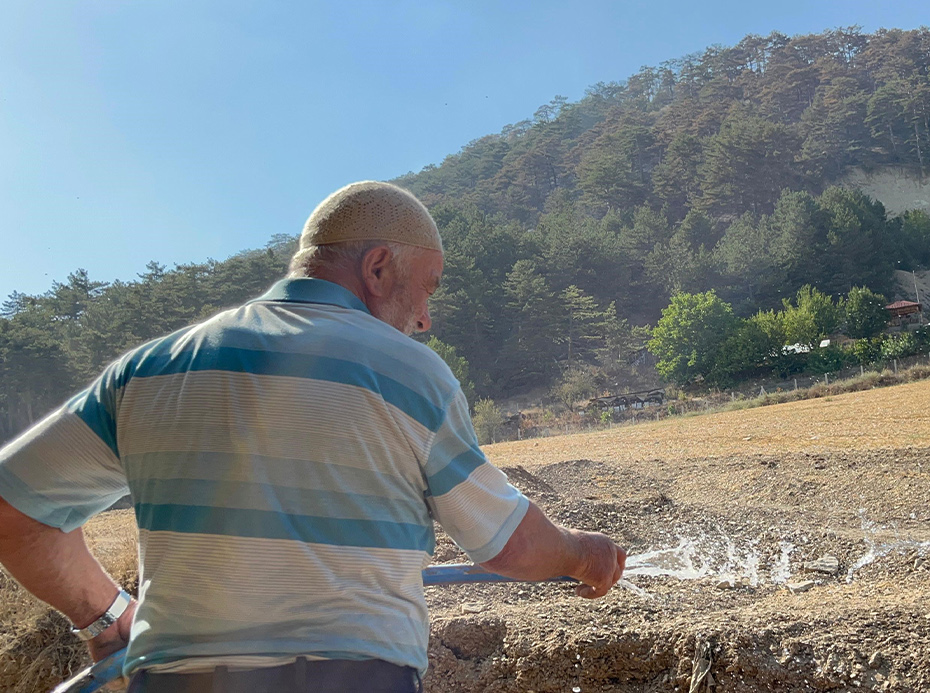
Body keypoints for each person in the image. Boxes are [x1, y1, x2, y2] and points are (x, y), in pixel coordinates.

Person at [0, 181, 626, 692]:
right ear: (379, 267)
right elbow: (507, 549)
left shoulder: (148, 370)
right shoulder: (409, 372)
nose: (426, 319)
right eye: (427, 288)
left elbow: (13, 511)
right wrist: (581, 553)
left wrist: (107, 613)